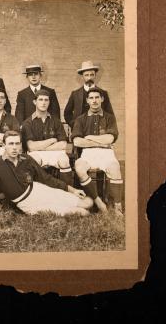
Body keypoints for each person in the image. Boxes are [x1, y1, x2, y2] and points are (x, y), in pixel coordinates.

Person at [0, 131, 94, 217]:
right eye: (10, 144)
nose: (14, 147)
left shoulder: (26, 159)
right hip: (28, 202)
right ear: (4, 145)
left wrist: (72, 190)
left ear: (21, 145)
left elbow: (47, 179)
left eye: (17, 143)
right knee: (83, 213)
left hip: (40, 190)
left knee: (88, 203)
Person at [72, 88, 123, 216]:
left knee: (115, 168)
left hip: (106, 153)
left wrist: (89, 137)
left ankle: (118, 207)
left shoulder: (109, 118)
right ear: (87, 100)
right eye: (91, 98)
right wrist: (101, 141)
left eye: (97, 97)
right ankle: (99, 202)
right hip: (88, 153)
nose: (94, 101)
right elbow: (77, 142)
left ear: (102, 99)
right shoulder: (81, 119)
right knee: (79, 167)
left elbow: (110, 138)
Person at [21, 89, 74, 186]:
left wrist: (42, 146)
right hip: (36, 153)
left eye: (46, 100)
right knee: (34, 161)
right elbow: (31, 147)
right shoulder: (27, 123)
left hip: (55, 152)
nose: (43, 103)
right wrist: (52, 140)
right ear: (35, 102)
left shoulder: (56, 121)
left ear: (49, 102)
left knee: (64, 161)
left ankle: (68, 193)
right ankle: (37, 193)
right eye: (40, 100)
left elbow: (63, 144)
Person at [64, 60, 114, 128]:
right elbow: (67, 113)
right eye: (86, 75)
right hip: (80, 131)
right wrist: (75, 125)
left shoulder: (103, 93)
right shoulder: (75, 94)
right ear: (82, 77)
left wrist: (104, 126)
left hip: (98, 130)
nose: (89, 78)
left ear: (95, 76)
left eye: (92, 75)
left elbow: (110, 114)